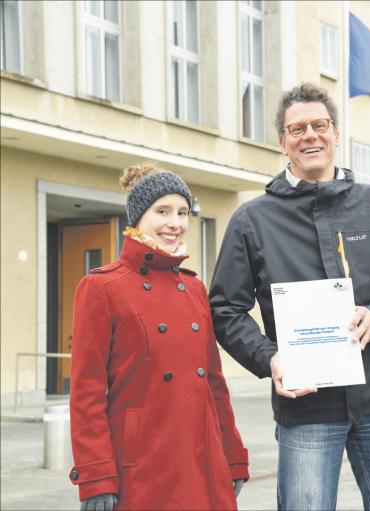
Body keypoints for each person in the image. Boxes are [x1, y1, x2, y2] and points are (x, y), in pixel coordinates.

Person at [210, 82, 370, 511]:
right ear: (283, 143)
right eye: (297, 129)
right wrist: (269, 357)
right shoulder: (253, 220)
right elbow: (225, 308)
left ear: (336, 134)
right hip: (306, 407)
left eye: (320, 125)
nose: (310, 135)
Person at [69, 163, 249, 511]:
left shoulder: (194, 288)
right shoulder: (102, 287)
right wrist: (95, 474)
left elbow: (214, 384)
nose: (175, 223)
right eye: (162, 211)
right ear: (137, 217)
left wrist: (233, 455)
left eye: (182, 212)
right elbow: (86, 392)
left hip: (203, 459)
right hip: (141, 464)